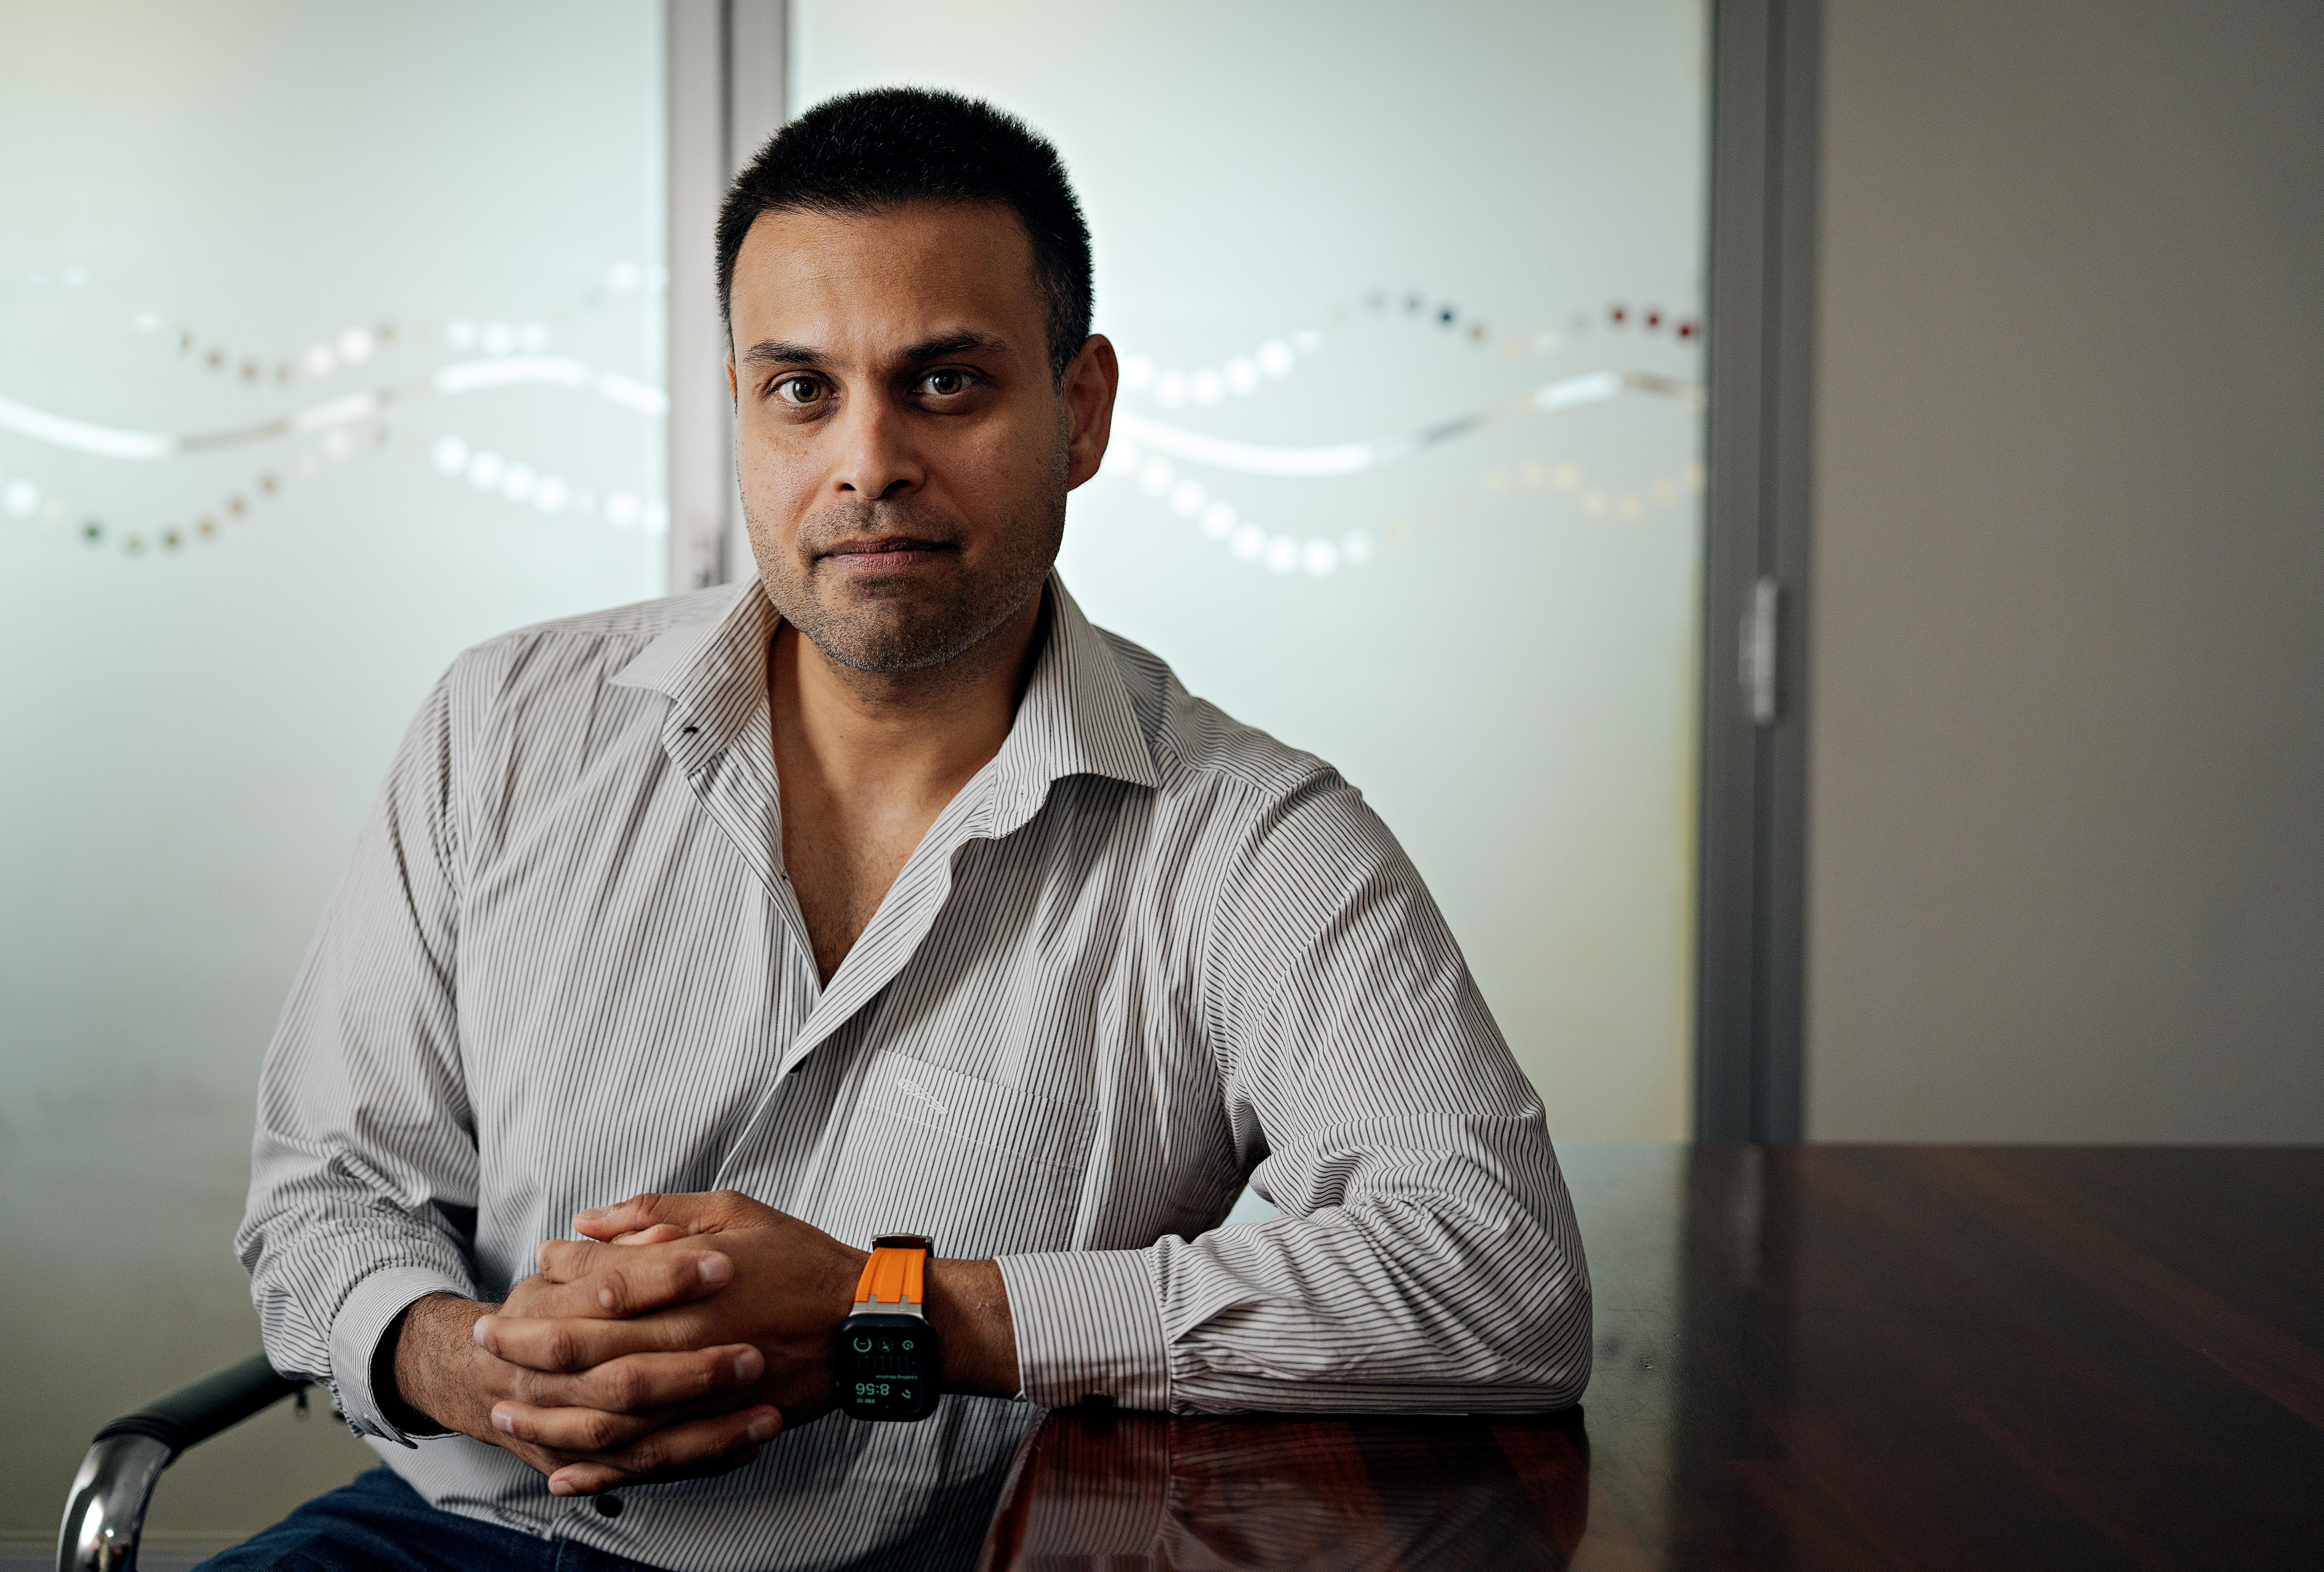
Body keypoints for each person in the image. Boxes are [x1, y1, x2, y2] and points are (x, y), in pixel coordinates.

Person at [218, 87, 1590, 1571]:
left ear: (1082, 412)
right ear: (740, 405)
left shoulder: (1246, 836)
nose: (866, 462)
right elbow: (326, 1196)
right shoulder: (503, 726)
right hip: (451, 1535)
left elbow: (1501, 1273)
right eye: (800, 389)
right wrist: (458, 1360)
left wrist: (904, 1314)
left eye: (943, 384)